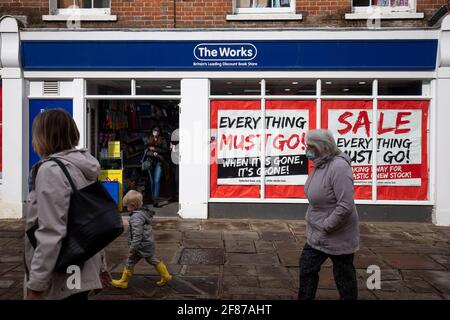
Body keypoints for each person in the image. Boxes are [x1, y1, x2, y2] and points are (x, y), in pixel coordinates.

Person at [25, 109, 111, 300]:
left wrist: (37, 286)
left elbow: (51, 231)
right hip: (80, 268)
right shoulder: (80, 166)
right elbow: (91, 220)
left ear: (43, 136)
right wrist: (102, 265)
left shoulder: (51, 170)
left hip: (60, 275)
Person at [298, 129, 360, 300]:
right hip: (318, 232)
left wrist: (327, 225)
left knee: (344, 275)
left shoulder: (339, 167)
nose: (307, 150)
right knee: (307, 267)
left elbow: (345, 205)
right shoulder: (320, 164)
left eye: (311, 146)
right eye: (306, 146)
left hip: (337, 232)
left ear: (322, 147)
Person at [112, 190, 172, 289]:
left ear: (133, 205)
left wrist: (133, 247)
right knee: (151, 260)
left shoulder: (136, 217)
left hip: (140, 246)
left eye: (127, 206)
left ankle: (123, 282)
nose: (126, 209)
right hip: (146, 243)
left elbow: (137, 235)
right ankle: (166, 276)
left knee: (132, 261)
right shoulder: (143, 213)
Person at [145, 126, 168, 207]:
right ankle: (153, 197)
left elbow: (165, 150)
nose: (155, 132)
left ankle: (155, 199)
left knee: (157, 180)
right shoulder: (148, 139)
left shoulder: (163, 139)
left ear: (159, 132)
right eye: (154, 130)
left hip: (159, 162)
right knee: (152, 181)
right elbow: (145, 151)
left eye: (157, 131)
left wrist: (155, 150)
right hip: (150, 162)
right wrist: (152, 153)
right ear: (152, 131)